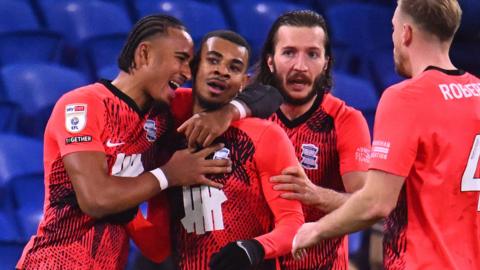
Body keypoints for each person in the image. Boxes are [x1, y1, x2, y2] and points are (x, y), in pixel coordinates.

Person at [16, 15, 279, 270]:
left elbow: (270, 94)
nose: (187, 72)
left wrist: (228, 112)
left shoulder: (165, 114)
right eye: (181, 59)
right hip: (52, 261)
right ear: (144, 55)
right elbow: (96, 199)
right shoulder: (83, 104)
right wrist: (168, 175)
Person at [287, 1, 480, 269]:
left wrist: (315, 230)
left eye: (393, 28)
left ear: (406, 33)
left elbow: (376, 203)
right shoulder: (478, 94)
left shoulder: (406, 97)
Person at [127, 30, 305, 270]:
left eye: (234, 67)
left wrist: (254, 248)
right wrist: (125, 210)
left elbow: (293, 222)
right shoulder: (166, 123)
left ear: (244, 82)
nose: (222, 70)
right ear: (195, 68)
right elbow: (158, 249)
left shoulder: (267, 136)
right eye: (213, 60)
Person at [252, 10, 371, 269]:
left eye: (312, 54)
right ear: (270, 61)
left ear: (326, 62)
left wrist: (316, 195)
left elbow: (366, 205)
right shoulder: (248, 114)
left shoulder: (345, 120)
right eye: (289, 52)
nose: (300, 66)